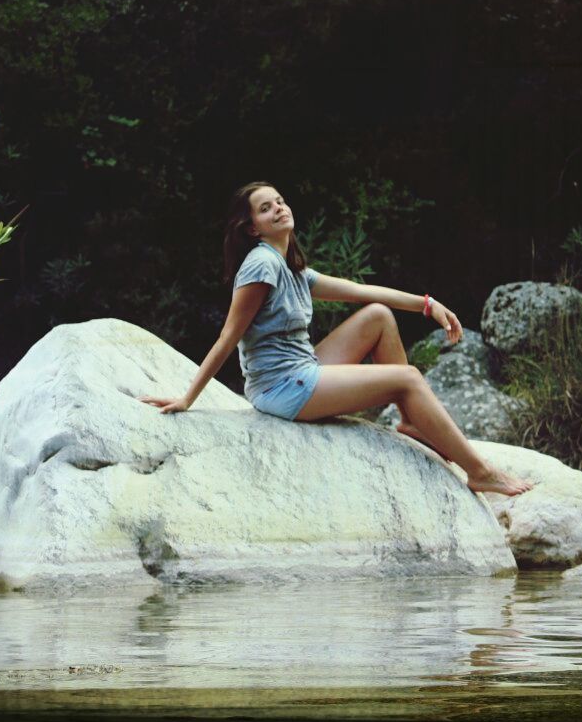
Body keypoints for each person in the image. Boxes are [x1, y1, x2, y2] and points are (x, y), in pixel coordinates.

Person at [138, 181, 534, 497]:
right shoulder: (260, 265)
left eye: (279, 201)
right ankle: (480, 472)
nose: (279, 208)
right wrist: (188, 398)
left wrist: (427, 304)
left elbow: (363, 292)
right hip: (281, 388)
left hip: (303, 370)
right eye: (266, 208)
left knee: (378, 317)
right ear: (252, 228)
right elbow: (228, 336)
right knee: (408, 378)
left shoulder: (293, 269)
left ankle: (413, 422)